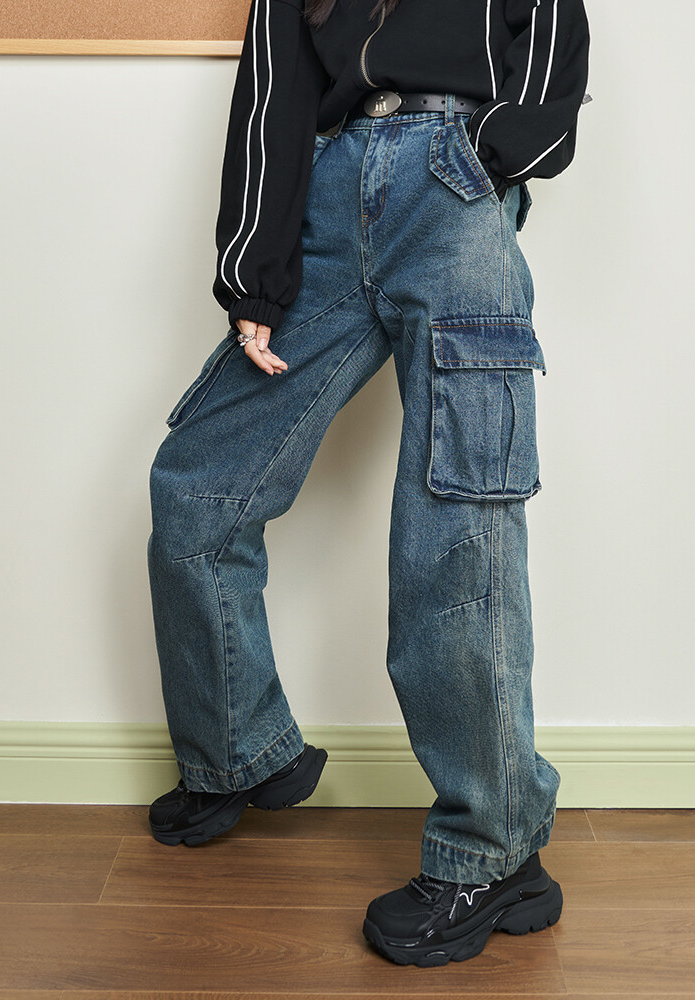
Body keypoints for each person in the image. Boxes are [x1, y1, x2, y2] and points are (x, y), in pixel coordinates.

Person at [146, 0, 590, 967]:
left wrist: (492, 154)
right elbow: (274, 88)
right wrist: (253, 271)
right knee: (197, 488)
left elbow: (553, 30)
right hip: (330, 188)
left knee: (454, 540)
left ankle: (494, 849)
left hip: (452, 190)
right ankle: (239, 751)